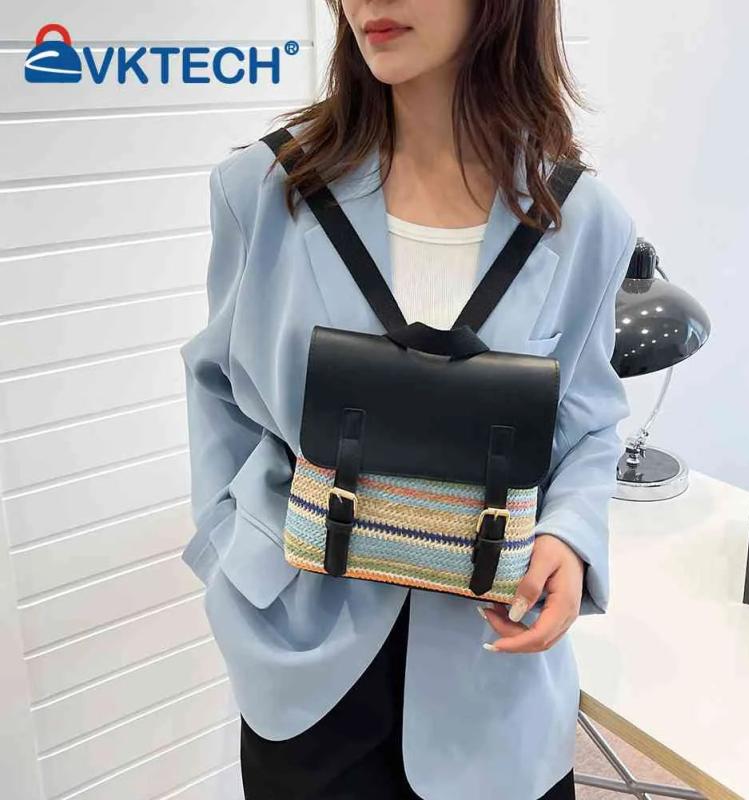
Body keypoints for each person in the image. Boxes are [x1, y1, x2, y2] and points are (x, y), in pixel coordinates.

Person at [179, 1, 636, 798]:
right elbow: (216, 388)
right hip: (305, 654)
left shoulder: (581, 220)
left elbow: (589, 423)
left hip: (491, 667)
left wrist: (569, 537)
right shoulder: (261, 191)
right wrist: (229, 556)